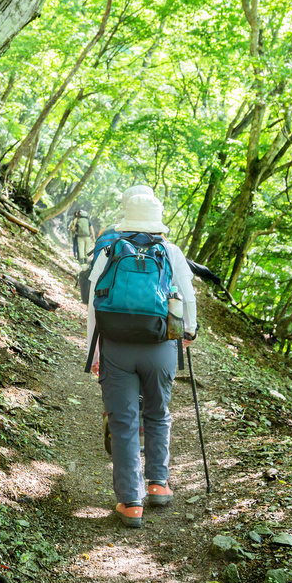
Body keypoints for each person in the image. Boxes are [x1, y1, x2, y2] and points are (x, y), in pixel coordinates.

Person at [86, 193, 197, 528]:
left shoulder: (109, 249)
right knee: (158, 414)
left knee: (122, 422)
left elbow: (94, 302)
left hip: (116, 347)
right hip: (161, 345)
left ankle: (131, 503)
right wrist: (189, 332)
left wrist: (93, 352)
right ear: (156, 219)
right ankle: (159, 485)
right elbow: (188, 296)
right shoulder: (171, 252)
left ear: (127, 217)